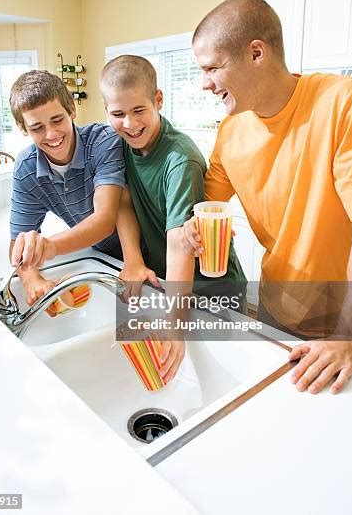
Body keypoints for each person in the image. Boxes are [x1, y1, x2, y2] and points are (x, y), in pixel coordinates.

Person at [181, 0, 352, 395]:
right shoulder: (230, 132)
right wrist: (195, 234)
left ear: (256, 53)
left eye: (213, 67)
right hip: (276, 308)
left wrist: (351, 335)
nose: (205, 83)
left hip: (349, 321)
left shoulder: (344, 102)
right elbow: (204, 210)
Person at [100, 55, 246, 383]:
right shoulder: (120, 144)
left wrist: (175, 326)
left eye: (139, 111)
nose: (129, 123)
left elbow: (181, 243)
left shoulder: (180, 159)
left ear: (158, 100)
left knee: (222, 381)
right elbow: (123, 198)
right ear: (106, 110)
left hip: (211, 289)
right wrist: (133, 260)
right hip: (173, 287)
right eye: (118, 114)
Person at [9, 70, 125, 306]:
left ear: (71, 109)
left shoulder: (103, 141)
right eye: (37, 127)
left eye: (57, 120)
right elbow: (17, 244)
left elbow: (105, 221)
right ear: (22, 128)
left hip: (147, 253)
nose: (51, 134)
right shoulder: (26, 169)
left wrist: (49, 246)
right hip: (101, 257)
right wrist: (32, 280)